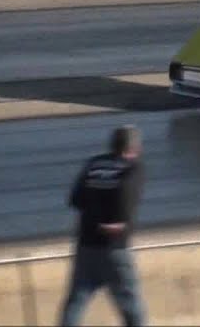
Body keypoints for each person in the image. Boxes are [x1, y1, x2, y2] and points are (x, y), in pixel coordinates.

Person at [59, 125, 147, 327]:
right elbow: (128, 194)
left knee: (77, 299)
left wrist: (95, 217)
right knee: (130, 303)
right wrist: (116, 221)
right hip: (114, 246)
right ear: (134, 147)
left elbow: (75, 199)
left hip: (86, 244)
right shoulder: (133, 168)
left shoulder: (93, 164)